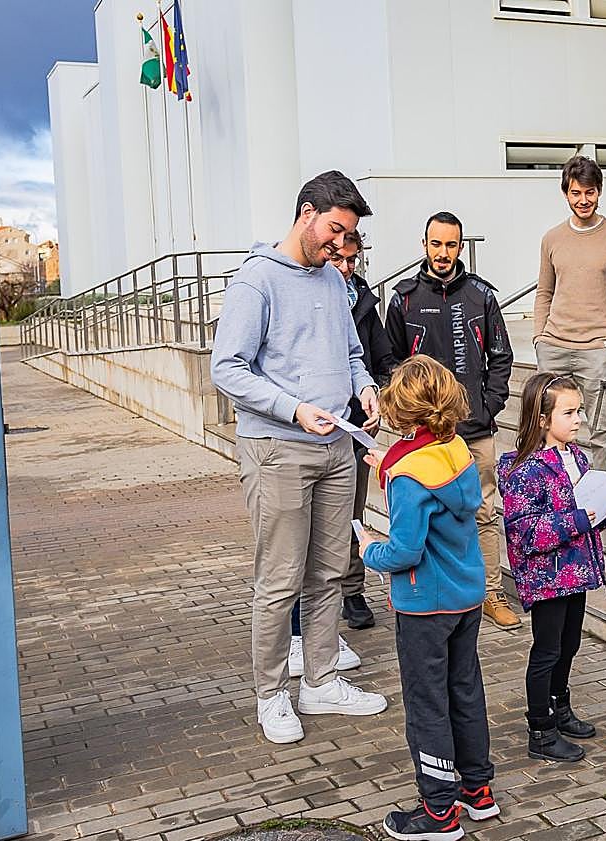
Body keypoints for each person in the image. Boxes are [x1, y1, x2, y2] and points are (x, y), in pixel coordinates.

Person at [211, 170, 388, 745]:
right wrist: (292, 409)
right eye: (335, 230)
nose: (341, 245)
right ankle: (271, 695)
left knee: (329, 572)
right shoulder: (256, 281)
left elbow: (353, 353)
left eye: (348, 236)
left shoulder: (336, 283)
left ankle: (320, 680)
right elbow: (227, 369)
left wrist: (364, 387)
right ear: (307, 213)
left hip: (338, 444)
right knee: (280, 577)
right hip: (278, 449)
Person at [359, 355, 499, 841]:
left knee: (426, 704)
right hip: (465, 596)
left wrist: (368, 550)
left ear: (402, 411)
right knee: (465, 689)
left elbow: (404, 549)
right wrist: (388, 466)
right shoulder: (456, 448)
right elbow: (425, 475)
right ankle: (477, 790)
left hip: (425, 604)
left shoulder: (408, 474)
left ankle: (437, 811)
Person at [385, 212, 519, 630]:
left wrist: (488, 406)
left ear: (461, 247)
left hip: (475, 432)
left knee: (482, 514)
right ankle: (431, 595)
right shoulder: (403, 298)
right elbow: (391, 361)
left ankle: (491, 593)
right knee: (423, 516)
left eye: (451, 245)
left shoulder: (482, 296)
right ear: (424, 245)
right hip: (423, 437)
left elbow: (502, 357)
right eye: (436, 244)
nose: (443, 253)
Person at [496, 373, 606, 763]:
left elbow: (583, 508)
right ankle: (540, 729)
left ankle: (560, 706)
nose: (579, 418)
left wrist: (603, 514)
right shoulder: (525, 471)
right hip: (547, 578)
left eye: (579, 410)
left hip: (577, 571)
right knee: (547, 650)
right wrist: (581, 520)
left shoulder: (577, 457)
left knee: (570, 644)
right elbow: (525, 533)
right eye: (569, 412)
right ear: (542, 419)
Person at [286, 231, 395, 676]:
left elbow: (365, 358)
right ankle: (293, 640)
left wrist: (370, 393)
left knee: (331, 544)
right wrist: (294, 409)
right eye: (340, 259)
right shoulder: (288, 290)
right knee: (296, 549)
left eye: (354, 260)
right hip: (297, 437)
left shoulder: (357, 299)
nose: (347, 268)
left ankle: (322, 638)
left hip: (347, 433)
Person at [534, 156, 606, 471]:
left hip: (597, 350)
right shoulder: (552, 239)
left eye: (590, 192)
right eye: (576, 193)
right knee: (548, 429)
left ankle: (599, 498)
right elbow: (544, 292)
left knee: (602, 432)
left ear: (599, 191)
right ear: (566, 193)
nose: (583, 200)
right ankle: (557, 490)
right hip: (553, 347)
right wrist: (540, 338)